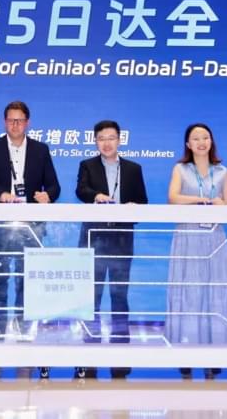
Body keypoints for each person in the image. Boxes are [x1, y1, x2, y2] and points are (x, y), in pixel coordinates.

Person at [0, 100, 61, 379]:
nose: (15, 125)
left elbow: (54, 185)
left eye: (20, 120)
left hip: (30, 228)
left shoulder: (40, 150)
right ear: (4, 122)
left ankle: (25, 349)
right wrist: (1, 194)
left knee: (26, 288)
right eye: (11, 120)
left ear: (28, 123)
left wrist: (48, 195)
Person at [73, 119, 148, 381]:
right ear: (95, 141)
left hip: (121, 239)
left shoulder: (133, 169)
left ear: (119, 140)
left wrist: (133, 207)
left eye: (111, 138)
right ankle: (89, 355)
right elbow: (81, 190)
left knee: (119, 296)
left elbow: (143, 201)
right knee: (91, 298)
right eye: (101, 138)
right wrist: (96, 196)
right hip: (94, 237)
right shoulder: (87, 165)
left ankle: (120, 356)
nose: (106, 143)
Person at [165, 122, 227, 380]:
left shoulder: (222, 171)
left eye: (205, 137)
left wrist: (219, 204)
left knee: (214, 289)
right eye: (195, 138)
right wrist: (200, 200)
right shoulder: (180, 169)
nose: (201, 142)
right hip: (188, 236)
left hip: (214, 236)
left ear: (211, 141)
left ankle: (214, 352)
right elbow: (173, 198)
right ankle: (186, 351)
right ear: (188, 144)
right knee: (189, 290)